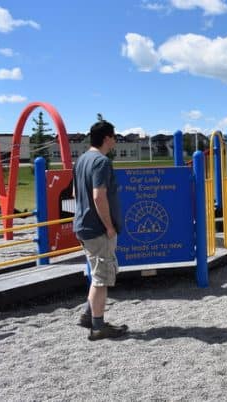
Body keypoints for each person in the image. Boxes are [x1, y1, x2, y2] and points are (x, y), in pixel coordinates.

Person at [73, 119, 127, 341]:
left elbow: (77, 194)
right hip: (97, 229)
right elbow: (98, 195)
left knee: (97, 272)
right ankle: (98, 327)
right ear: (106, 138)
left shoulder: (82, 160)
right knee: (101, 279)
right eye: (114, 136)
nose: (115, 140)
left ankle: (88, 315)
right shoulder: (101, 162)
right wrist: (109, 226)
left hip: (83, 225)